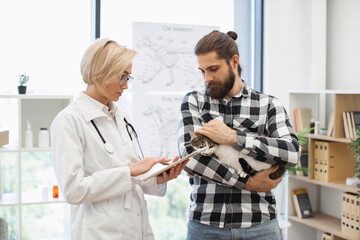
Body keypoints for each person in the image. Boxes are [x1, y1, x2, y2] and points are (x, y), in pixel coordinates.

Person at [51, 38, 188, 240]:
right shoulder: (69, 120)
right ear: (100, 71)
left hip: (137, 228)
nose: (125, 86)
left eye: (128, 78)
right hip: (99, 232)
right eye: (121, 77)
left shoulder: (122, 116)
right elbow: (73, 190)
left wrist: (158, 178)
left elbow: (130, 176)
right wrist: (129, 171)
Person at [177, 30, 300, 240]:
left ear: (234, 62)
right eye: (202, 71)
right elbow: (190, 158)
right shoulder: (194, 102)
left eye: (213, 69)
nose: (207, 78)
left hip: (260, 226)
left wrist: (234, 138)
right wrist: (247, 183)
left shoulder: (268, 104)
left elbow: (291, 153)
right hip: (206, 226)